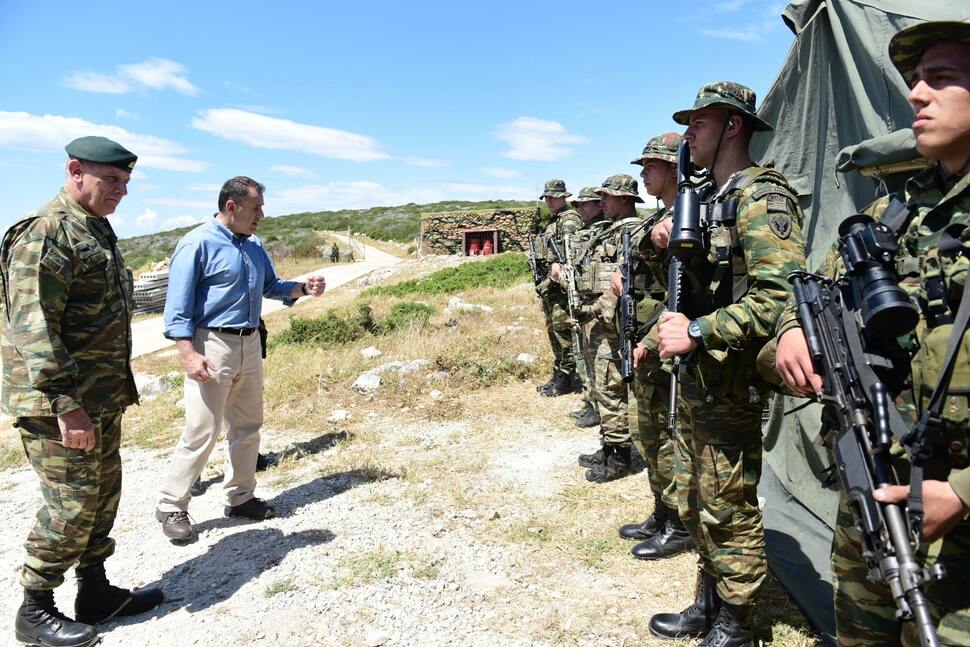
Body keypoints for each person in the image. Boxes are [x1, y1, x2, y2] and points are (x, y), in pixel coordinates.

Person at [772, 20, 970, 646]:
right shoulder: (895, 211)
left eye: (940, 78)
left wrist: (963, 492)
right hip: (874, 479)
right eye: (915, 79)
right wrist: (791, 331)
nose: (916, 94)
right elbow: (818, 287)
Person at [650, 83, 807, 646]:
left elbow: (780, 297)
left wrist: (697, 331)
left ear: (733, 126)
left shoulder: (762, 195)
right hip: (698, 377)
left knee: (728, 502)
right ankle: (710, 599)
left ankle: (737, 621)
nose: (688, 134)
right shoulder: (707, 197)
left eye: (700, 123)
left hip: (730, 380)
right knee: (695, 496)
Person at [1, 136, 163, 647]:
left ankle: (95, 591)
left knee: (102, 496)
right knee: (70, 504)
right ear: (75, 170)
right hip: (58, 404)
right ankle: (35, 608)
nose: (121, 190)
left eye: (126, 182)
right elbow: (34, 328)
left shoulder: (95, 228)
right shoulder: (46, 232)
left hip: (100, 397)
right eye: (111, 179)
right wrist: (66, 404)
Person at [155, 176, 326, 542]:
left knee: (248, 426)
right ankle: (171, 505)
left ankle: (241, 498)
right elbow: (177, 309)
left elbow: (271, 286)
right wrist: (188, 354)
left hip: (249, 342)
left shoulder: (254, 245)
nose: (261, 215)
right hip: (211, 344)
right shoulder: (196, 243)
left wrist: (302, 288)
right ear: (231, 207)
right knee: (202, 428)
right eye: (256, 208)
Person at [614, 133, 692, 561]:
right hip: (644, 340)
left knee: (667, 438)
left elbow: (682, 292)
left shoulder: (687, 217)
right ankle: (662, 512)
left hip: (664, 346)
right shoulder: (656, 220)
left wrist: (647, 340)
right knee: (647, 434)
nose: (643, 174)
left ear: (673, 168)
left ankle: (679, 524)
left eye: (650, 166)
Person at [573, 174, 644, 482]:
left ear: (625, 199)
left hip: (611, 324)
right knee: (601, 387)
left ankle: (619, 456)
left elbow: (626, 278)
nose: (601, 202)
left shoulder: (632, 231)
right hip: (599, 323)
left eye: (607, 196)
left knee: (611, 386)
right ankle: (608, 445)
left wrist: (598, 310)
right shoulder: (610, 230)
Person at [551, 186, 606, 429]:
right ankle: (590, 402)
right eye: (579, 204)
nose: (580, 208)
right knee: (583, 355)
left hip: (596, 307)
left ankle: (598, 408)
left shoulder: (602, 233)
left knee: (596, 360)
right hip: (582, 304)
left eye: (586, 204)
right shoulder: (587, 232)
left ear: (599, 205)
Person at [535, 179, 582, 397]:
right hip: (550, 288)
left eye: (553, 197)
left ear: (564, 197)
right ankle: (560, 374)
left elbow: (571, 252)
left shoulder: (569, 220)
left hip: (561, 288)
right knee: (554, 332)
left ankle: (568, 378)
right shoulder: (553, 221)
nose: (549, 201)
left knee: (564, 334)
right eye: (547, 197)